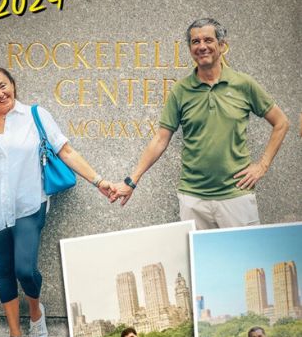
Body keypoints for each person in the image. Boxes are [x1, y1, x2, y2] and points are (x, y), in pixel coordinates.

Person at [0, 66, 112, 337]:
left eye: (3, 86)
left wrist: (99, 181)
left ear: (13, 85)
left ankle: (36, 313)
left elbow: (65, 151)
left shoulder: (35, 115)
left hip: (30, 204)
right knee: (4, 272)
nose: (0, 93)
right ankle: (15, 336)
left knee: (25, 269)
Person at [109, 18, 290, 229]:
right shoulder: (181, 90)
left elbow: (281, 122)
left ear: (221, 45)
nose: (202, 46)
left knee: (244, 261)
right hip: (193, 198)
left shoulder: (244, 84)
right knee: (199, 262)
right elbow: (160, 139)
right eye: (195, 42)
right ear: (190, 49)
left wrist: (262, 166)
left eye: (208, 40)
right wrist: (132, 181)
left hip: (236, 195)